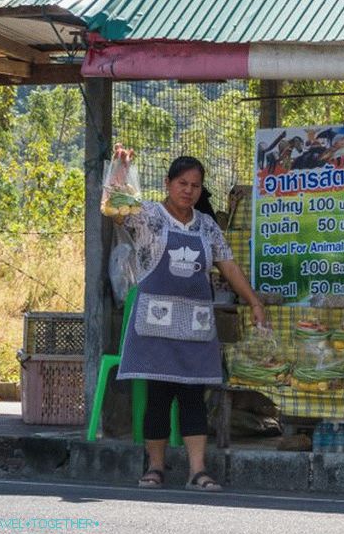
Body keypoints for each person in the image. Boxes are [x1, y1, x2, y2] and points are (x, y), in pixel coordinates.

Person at [109, 144, 267, 491]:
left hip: (194, 324)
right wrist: (121, 167)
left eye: (195, 186)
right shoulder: (149, 215)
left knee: (194, 397)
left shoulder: (207, 226)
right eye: (182, 183)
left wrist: (253, 301)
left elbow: (227, 264)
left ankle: (198, 471)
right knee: (159, 396)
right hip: (156, 321)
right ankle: (155, 468)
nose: (188, 191)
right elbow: (116, 208)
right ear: (168, 183)